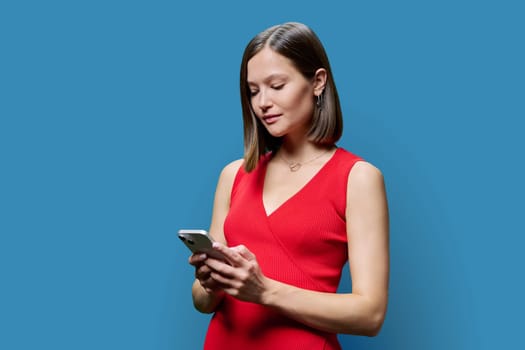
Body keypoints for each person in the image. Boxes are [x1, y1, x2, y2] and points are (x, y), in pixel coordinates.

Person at [188, 22, 389, 350]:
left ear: (318, 82)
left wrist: (264, 291)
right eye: (253, 91)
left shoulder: (358, 178)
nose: (262, 102)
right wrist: (211, 283)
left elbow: (371, 314)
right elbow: (201, 302)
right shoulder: (235, 174)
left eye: (276, 85)